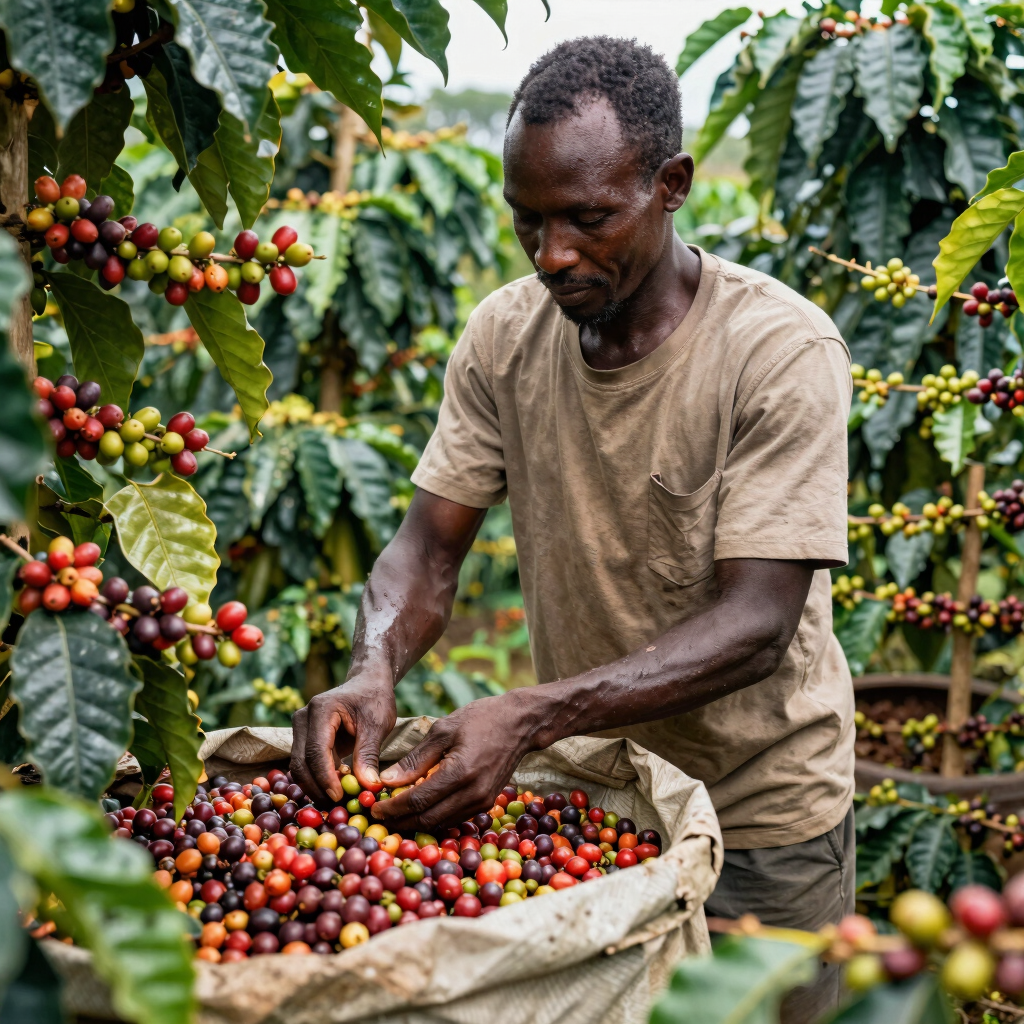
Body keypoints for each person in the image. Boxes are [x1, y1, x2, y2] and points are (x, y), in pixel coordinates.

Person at [291, 36, 854, 1023]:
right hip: (600, 796)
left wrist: (533, 713)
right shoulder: (506, 336)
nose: (552, 255)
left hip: (762, 812)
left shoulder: (775, 350)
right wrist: (372, 665)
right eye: (529, 221)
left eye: (587, 219)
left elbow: (759, 621)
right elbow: (426, 548)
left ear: (670, 184)